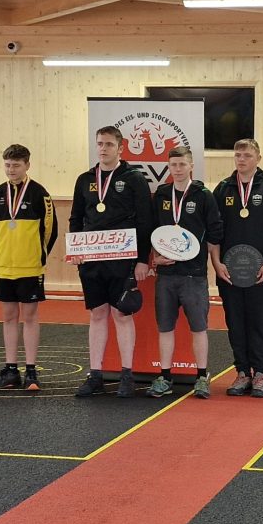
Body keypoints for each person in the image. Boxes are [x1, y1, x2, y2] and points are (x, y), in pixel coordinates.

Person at [69, 125, 154, 398]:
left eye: (108, 144)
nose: (103, 149)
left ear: (120, 148)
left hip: (123, 258)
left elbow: (145, 220)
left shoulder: (134, 179)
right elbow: (75, 218)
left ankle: (127, 375)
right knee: (97, 314)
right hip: (92, 259)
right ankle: (95, 374)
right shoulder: (85, 179)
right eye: (100, 144)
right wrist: (74, 250)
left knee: (121, 313)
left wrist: (142, 260)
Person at [209, 138, 263, 398]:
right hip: (229, 272)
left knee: (260, 322)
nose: (241, 159)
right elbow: (214, 231)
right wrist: (216, 263)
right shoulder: (223, 189)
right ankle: (242, 372)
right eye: (238, 155)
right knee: (235, 322)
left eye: (247, 155)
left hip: (261, 272)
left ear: (258, 158)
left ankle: (261, 374)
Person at [147, 145, 221, 398]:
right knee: (165, 327)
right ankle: (165, 377)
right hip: (166, 275)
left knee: (199, 327)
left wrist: (205, 259)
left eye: (182, 165)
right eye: (173, 165)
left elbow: (215, 232)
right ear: (168, 167)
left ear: (191, 166)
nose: (177, 169)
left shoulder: (203, 195)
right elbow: (152, 230)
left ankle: (201, 377)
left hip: (194, 275)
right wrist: (155, 257)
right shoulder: (162, 194)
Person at [0, 143, 57, 391]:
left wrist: (37, 256)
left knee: (29, 317)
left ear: (27, 165)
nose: (11, 169)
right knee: (8, 317)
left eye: (16, 165)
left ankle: (31, 371)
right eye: (7, 165)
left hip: (30, 267)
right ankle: (10, 370)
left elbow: (50, 230)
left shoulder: (40, 194)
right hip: (4, 267)